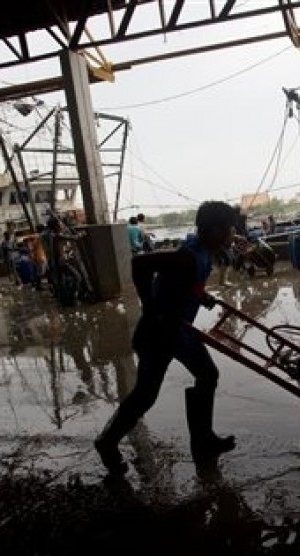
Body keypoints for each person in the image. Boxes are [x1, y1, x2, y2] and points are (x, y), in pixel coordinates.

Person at [95, 201, 238, 475]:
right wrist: (149, 307)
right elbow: (140, 264)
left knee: (207, 375)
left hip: (178, 331)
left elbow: (184, 283)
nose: (233, 235)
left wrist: (201, 295)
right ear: (215, 230)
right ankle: (107, 442)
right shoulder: (188, 255)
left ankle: (203, 439)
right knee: (146, 394)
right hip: (159, 334)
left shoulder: (206, 253)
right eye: (230, 229)